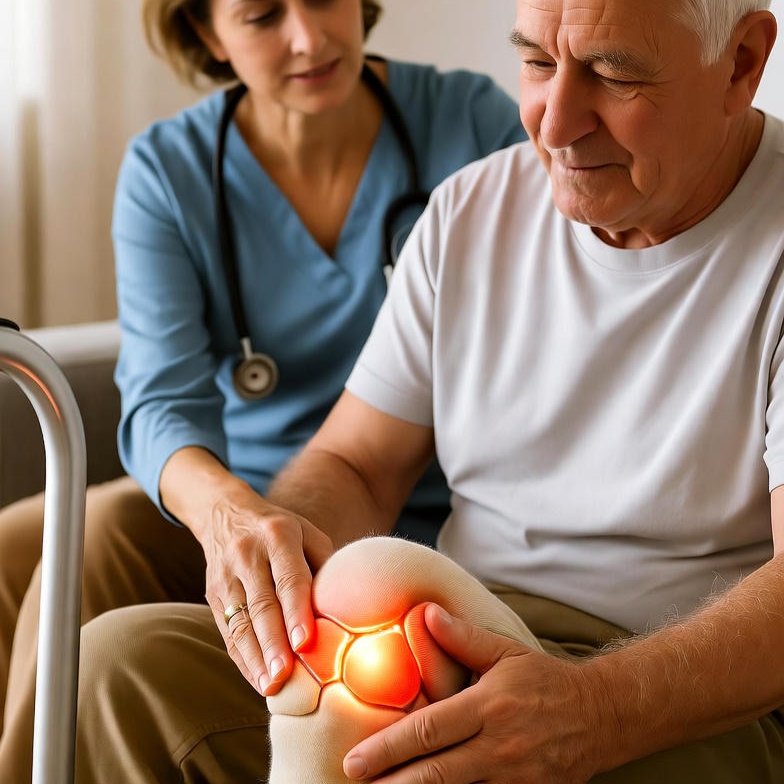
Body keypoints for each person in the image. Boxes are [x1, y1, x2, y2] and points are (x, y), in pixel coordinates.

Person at [67, 0, 784, 781]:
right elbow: (357, 464)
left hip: (669, 685)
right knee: (118, 665)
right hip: (446, 639)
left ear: (742, 62)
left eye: (613, 74)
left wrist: (594, 710)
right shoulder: (471, 208)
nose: (554, 125)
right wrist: (294, 581)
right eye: (537, 63)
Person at [0, 0, 526, 778]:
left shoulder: (469, 123)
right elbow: (160, 401)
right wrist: (228, 517)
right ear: (206, 33)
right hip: (253, 498)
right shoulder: (170, 170)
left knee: (82, 544)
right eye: (261, 15)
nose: (308, 38)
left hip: (413, 512)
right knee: (47, 541)